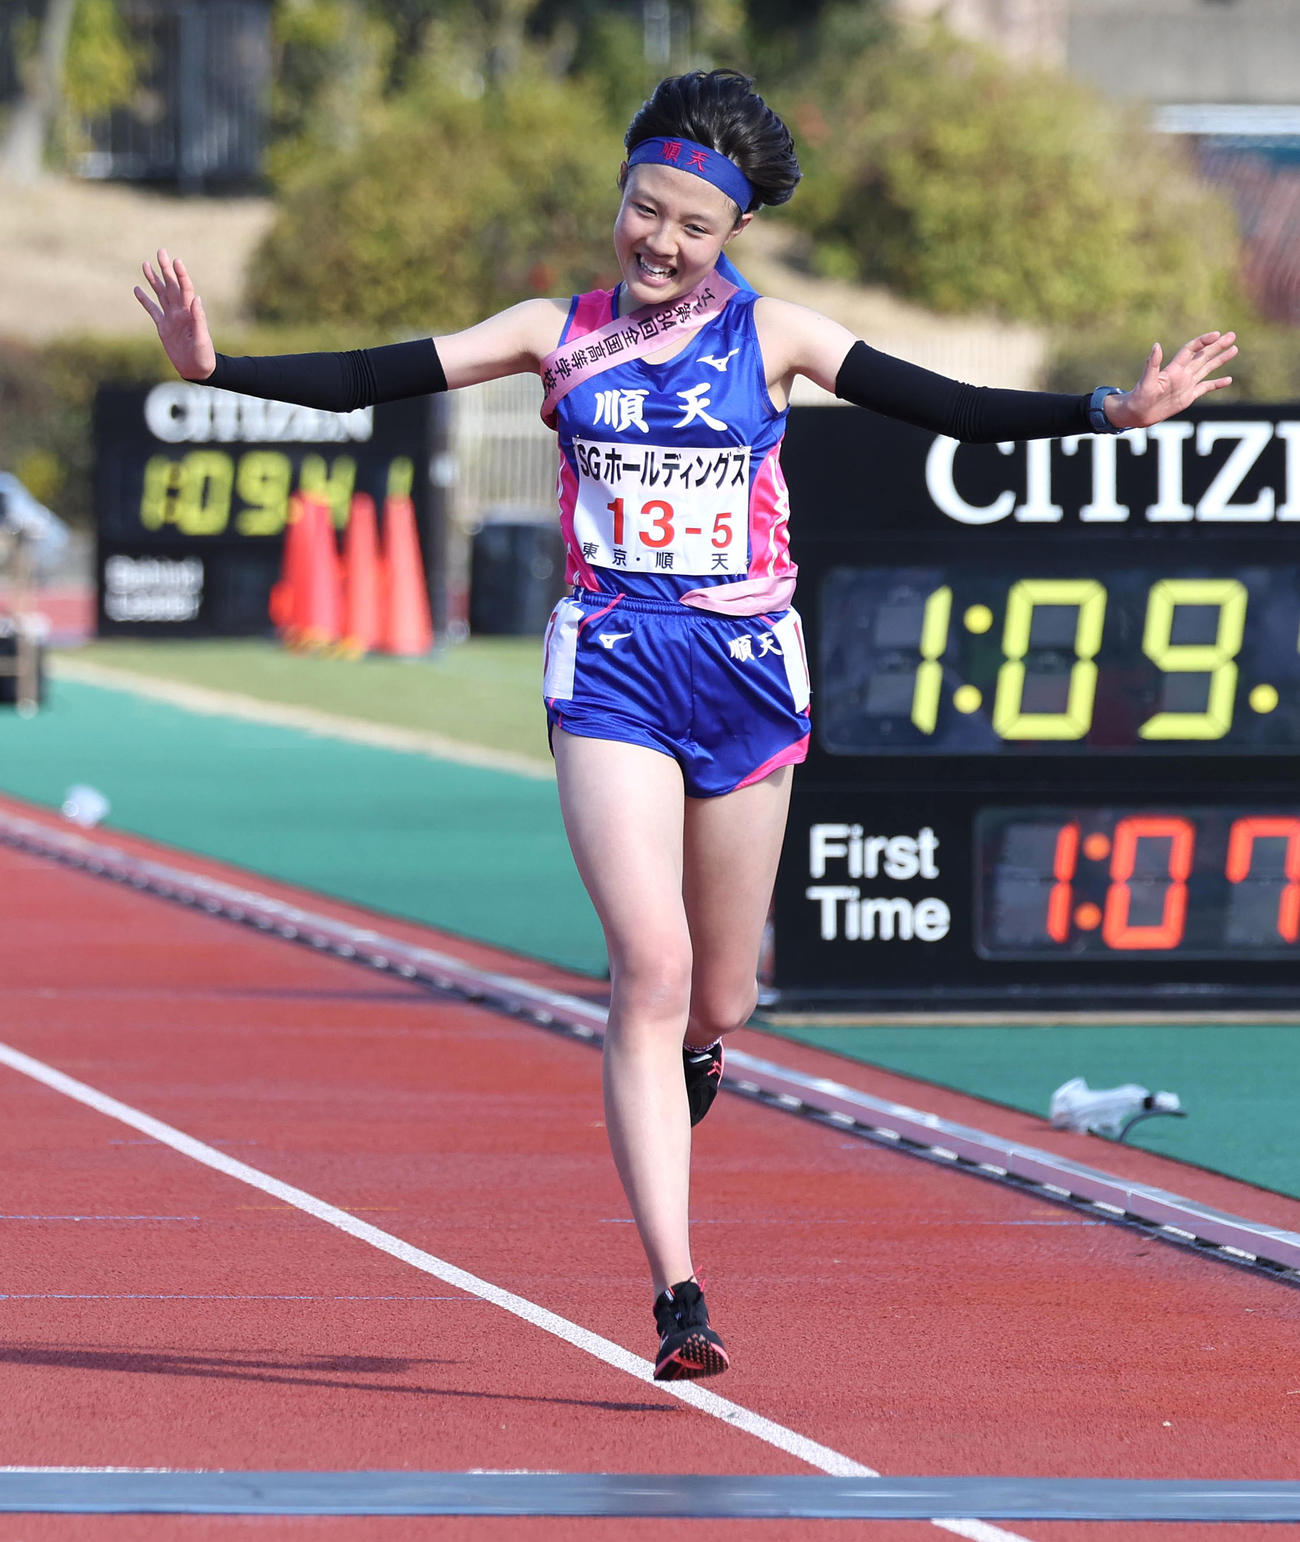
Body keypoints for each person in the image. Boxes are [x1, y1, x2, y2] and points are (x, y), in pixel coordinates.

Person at [135, 67, 1236, 1382]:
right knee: (647, 964)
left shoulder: (779, 340)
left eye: (691, 226)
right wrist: (218, 366)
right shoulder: (555, 331)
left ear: (732, 233)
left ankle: (700, 1049)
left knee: (721, 991)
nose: (659, 242)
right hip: (611, 672)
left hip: (747, 680)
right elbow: (380, 373)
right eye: (642, 211)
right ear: (619, 199)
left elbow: (944, 404)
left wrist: (1108, 412)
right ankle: (678, 1294)